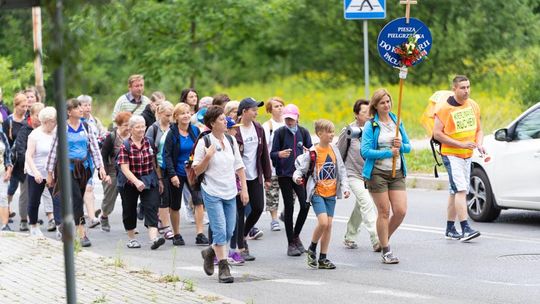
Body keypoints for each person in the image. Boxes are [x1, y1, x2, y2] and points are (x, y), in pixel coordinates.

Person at [46, 99, 111, 247]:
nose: (81, 109)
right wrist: (49, 173)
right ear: (69, 112)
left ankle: (66, 224)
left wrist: (100, 167)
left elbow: (94, 148)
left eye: (80, 106)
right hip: (67, 169)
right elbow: (53, 152)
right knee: (76, 200)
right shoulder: (61, 129)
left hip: (84, 169)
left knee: (79, 200)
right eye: (76, 107)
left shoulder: (87, 127)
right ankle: (82, 234)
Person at [194, 106, 248, 283]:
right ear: (212, 123)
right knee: (219, 230)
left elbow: (239, 167)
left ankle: (210, 251)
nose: (226, 122)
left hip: (230, 191)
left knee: (229, 230)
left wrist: (244, 190)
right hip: (211, 191)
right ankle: (223, 268)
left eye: (225, 119)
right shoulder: (205, 142)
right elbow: (196, 170)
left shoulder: (231, 141)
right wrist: (207, 157)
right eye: (222, 120)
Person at [361, 88, 411, 264]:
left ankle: (383, 239)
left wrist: (400, 146)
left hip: (396, 172)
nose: (387, 105)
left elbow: (408, 147)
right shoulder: (371, 125)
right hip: (377, 173)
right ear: (376, 105)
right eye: (382, 102)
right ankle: (386, 250)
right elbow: (365, 151)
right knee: (384, 211)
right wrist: (388, 152)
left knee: (400, 211)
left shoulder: (397, 121)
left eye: (388, 101)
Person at [294, 119, 350, 269]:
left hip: (331, 193)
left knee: (329, 225)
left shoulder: (334, 150)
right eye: (329, 132)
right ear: (320, 134)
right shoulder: (313, 152)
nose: (332, 134)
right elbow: (299, 170)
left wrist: (345, 188)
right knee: (323, 222)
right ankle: (312, 248)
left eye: (333, 132)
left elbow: (342, 170)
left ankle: (323, 258)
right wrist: (297, 178)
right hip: (317, 192)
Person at [433, 75, 483, 242]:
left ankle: (449, 228)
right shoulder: (444, 108)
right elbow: (437, 134)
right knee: (462, 189)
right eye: (462, 88)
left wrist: (479, 144)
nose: (466, 91)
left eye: (468, 87)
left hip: (467, 155)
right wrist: (460, 145)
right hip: (451, 155)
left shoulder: (473, 105)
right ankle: (465, 228)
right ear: (454, 89)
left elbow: (479, 130)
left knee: (455, 191)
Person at [162, 102, 210, 246]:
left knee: (199, 201)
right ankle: (176, 234)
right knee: (175, 205)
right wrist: (172, 175)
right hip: (177, 172)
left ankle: (200, 234)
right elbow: (167, 156)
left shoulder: (195, 131)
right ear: (176, 117)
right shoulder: (172, 133)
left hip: (193, 171)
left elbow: (200, 149)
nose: (186, 115)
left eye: (188, 112)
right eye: (183, 113)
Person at [337, 99, 380, 251]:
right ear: (356, 114)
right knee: (367, 203)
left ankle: (350, 235)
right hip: (352, 174)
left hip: (369, 174)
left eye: (370, 112)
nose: (369, 116)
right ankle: (377, 239)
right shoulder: (348, 132)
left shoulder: (375, 129)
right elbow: (338, 154)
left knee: (361, 205)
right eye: (364, 113)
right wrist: (340, 179)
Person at [116, 115, 165, 250]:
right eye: (137, 127)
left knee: (152, 206)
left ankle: (154, 239)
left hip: (149, 178)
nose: (141, 129)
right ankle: (132, 239)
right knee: (129, 209)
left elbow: (155, 163)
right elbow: (124, 168)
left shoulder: (149, 142)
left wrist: (159, 179)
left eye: (143, 126)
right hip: (129, 182)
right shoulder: (126, 145)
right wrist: (136, 181)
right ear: (131, 129)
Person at [270, 104, 312, 256]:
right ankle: (291, 244)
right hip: (285, 175)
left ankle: (295, 236)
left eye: (292, 119)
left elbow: (311, 151)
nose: (289, 122)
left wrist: (308, 155)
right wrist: (279, 154)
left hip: (300, 175)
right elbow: (272, 154)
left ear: (297, 118)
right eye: (287, 119)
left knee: (305, 205)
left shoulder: (303, 132)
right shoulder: (279, 133)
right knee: (289, 207)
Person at [234, 97, 272, 260]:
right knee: (240, 211)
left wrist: (268, 176)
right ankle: (241, 247)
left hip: (255, 176)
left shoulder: (258, 128)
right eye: (254, 110)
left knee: (258, 207)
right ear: (244, 112)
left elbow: (263, 154)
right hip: (237, 177)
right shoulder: (234, 129)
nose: (257, 113)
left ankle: (242, 235)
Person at [25, 107, 59, 237]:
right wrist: (36, 172)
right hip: (36, 173)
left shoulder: (56, 133)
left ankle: (60, 227)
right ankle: (33, 225)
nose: (55, 123)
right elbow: (29, 155)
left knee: (57, 200)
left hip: (52, 174)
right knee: (34, 201)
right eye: (53, 121)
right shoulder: (35, 135)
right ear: (46, 121)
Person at [99, 111, 132, 232]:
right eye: (125, 125)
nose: (128, 128)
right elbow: (103, 155)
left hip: (129, 172)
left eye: (129, 125)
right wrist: (105, 174)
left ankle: (130, 226)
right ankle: (104, 216)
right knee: (109, 199)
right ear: (118, 125)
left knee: (128, 201)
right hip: (113, 171)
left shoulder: (133, 136)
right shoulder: (112, 137)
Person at [146, 101, 175, 239]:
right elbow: (150, 151)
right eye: (167, 115)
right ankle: (165, 227)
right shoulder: (153, 129)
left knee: (170, 197)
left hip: (171, 166)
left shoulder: (173, 127)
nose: (169, 118)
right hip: (157, 166)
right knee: (163, 196)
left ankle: (163, 221)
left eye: (171, 115)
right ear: (160, 114)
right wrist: (156, 174)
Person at [79, 94, 106, 229]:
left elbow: (103, 134)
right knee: (83, 189)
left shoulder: (94, 120)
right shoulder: (74, 123)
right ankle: (87, 214)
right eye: (85, 105)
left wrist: (101, 140)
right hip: (77, 162)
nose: (88, 108)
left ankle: (91, 215)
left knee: (89, 187)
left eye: (89, 105)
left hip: (91, 159)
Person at [4, 92, 29, 231]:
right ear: (16, 106)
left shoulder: (28, 120)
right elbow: (6, 142)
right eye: (22, 106)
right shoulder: (9, 121)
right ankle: (4, 213)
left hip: (25, 159)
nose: (25, 109)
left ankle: (25, 218)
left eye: (26, 106)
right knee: (11, 189)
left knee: (26, 191)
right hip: (13, 161)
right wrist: (8, 163)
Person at [262, 97, 285, 232]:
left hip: (288, 168)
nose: (280, 108)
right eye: (276, 106)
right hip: (273, 167)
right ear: (270, 110)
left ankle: (285, 214)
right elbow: (264, 148)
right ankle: (274, 219)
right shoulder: (268, 126)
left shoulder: (289, 123)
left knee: (291, 195)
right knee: (272, 195)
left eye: (281, 105)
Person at [0, 125, 13, 231]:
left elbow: (8, 154)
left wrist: (8, 169)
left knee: (3, 197)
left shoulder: (2, 135)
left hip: (1, 172)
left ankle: (5, 225)